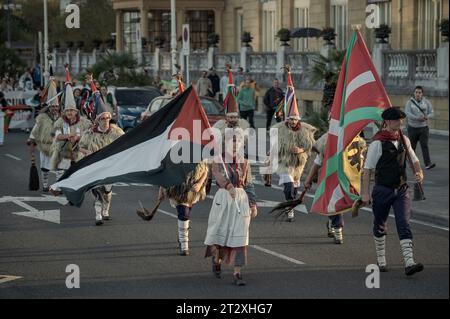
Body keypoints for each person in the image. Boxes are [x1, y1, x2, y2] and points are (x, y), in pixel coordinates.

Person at [361, 107, 424, 276]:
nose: (401, 122)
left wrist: (419, 172)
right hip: (382, 189)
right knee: (380, 224)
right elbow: (367, 170)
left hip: (402, 189)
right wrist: (365, 193)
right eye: (397, 120)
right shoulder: (377, 142)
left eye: (402, 119)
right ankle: (381, 260)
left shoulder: (404, 139)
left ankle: (409, 263)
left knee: (403, 223)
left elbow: (414, 159)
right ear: (388, 122)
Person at [204, 132, 257, 286]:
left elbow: (249, 184)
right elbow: (219, 175)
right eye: (232, 142)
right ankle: (216, 259)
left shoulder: (245, 162)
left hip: (241, 200)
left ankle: (237, 273)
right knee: (221, 233)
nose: (235, 145)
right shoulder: (218, 160)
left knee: (241, 235)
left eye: (238, 142)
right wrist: (227, 186)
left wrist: (253, 204)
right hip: (224, 199)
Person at [268, 72, 316, 222]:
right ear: (287, 119)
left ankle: (290, 205)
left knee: (294, 188)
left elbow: (310, 146)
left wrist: (301, 150)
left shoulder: (305, 130)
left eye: (295, 119)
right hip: (284, 161)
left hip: (298, 164)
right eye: (291, 119)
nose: (293, 122)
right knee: (288, 186)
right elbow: (275, 146)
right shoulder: (279, 129)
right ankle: (290, 208)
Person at [304, 131, 366, 244]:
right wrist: (308, 179)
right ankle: (338, 230)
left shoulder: (353, 138)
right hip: (329, 178)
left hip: (346, 179)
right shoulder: (326, 140)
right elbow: (317, 163)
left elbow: (359, 161)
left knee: (340, 204)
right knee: (333, 202)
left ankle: (332, 221)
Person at [79, 88, 124, 226]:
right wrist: (87, 153)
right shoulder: (90, 133)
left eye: (108, 118)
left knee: (107, 190)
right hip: (94, 165)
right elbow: (81, 146)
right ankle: (98, 215)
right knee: (97, 191)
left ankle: (105, 210)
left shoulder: (116, 131)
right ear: (98, 120)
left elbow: (126, 142)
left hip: (110, 166)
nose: (106, 121)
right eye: (103, 118)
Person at [157, 161, 209, 256]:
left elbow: (205, 169)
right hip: (176, 186)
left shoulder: (196, 149)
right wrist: (161, 188)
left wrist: (200, 183)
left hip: (192, 185)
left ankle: (182, 235)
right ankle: (184, 244)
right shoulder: (173, 150)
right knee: (184, 213)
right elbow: (166, 170)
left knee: (187, 211)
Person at [50, 67, 91, 178]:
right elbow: (58, 136)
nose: (69, 113)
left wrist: (78, 138)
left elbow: (88, 135)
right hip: (64, 150)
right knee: (63, 166)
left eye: (71, 110)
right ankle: (60, 183)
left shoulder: (83, 122)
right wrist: (69, 136)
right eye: (67, 111)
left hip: (79, 150)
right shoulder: (60, 121)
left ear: (75, 111)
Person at [27, 79, 62, 192]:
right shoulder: (42, 117)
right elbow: (35, 131)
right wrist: (32, 140)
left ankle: (58, 186)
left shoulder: (62, 118)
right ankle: (45, 185)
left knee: (59, 167)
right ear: (49, 107)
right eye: (52, 107)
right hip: (45, 146)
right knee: (45, 167)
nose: (55, 109)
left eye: (56, 106)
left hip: (58, 146)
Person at [405, 86, 435, 170]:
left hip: (424, 128)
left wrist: (426, 117)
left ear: (422, 94)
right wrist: (417, 118)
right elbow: (407, 113)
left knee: (424, 145)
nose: (418, 94)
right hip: (413, 128)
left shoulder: (426, 102)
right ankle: (411, 163)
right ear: (414, 93)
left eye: (419, 92)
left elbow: (432, 112)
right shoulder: (409, 102)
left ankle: (427, 164)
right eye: (416, 92)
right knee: (412, 147)